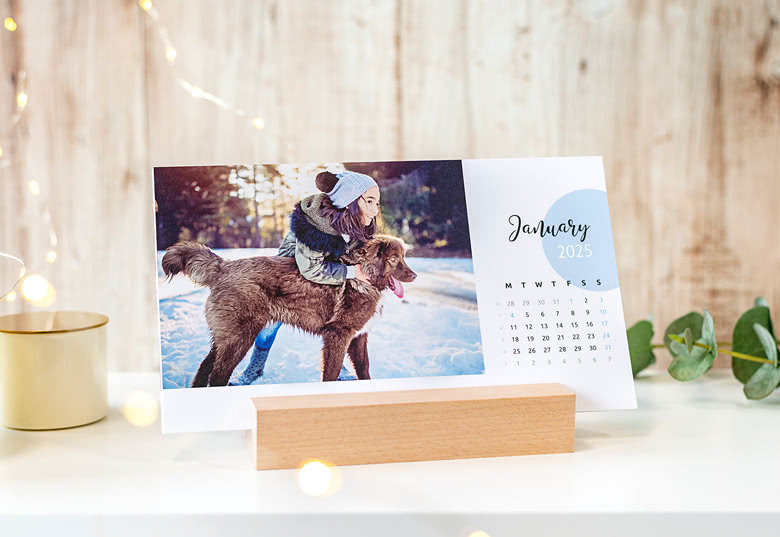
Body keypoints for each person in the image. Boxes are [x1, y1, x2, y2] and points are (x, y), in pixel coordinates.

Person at [232, 170, 381, 385]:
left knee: (337, 324)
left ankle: (336, 366)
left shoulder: (359, 222)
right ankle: (254, 368)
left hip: (331, 275)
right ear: (349, 201)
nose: (375, 210)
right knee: (268, 325)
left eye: (377, 202)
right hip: (292, 277)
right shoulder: (316, 226)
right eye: (369, 201)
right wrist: (350, 272)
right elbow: (310, 269)